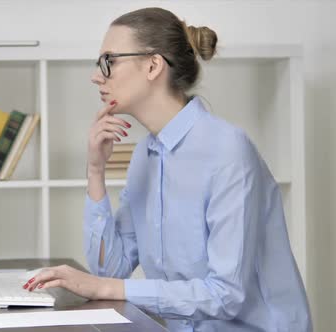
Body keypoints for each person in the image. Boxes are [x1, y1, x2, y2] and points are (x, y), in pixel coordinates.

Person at [24, 7, 312, 332]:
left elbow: (225, 295)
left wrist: (105, 288)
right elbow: (111, 269)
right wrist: (95, 171)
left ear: (152, 65)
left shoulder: (227, 150)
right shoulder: (145, 156)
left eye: (109, 61)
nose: (96, 76)